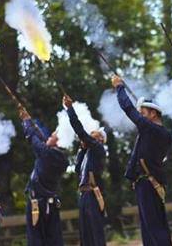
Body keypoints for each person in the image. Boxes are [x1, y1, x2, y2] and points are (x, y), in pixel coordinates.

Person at [111, 75, 172, 246]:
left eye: (143, 112)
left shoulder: (153, 130)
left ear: (153, 114)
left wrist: (119, 88)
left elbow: (128, 109)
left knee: (154, 228)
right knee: (149, 228)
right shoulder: (155, 132)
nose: (140, 116)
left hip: (148, 183)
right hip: (145, 182)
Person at [19, 106, 69, 246]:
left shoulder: (47, 154)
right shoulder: (60, 157)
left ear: (57, 142)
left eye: (53, 135)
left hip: (38, 203)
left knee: (36, 239)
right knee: (53, 239)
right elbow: (41, 139)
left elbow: (33, 139)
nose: (50, 135)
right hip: (50, 203)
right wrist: (30, 121)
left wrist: (26, 122)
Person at [63, 95, 107, 246]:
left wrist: (70, 109)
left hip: (93, 194)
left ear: (100, 139)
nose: (91, 133)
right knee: (85, 233)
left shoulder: (98, 148)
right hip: (84, 194)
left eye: (95, 133)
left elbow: (80, 131)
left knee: (96, 233)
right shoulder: (88, 151)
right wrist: (81, 149)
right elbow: (77, 169)